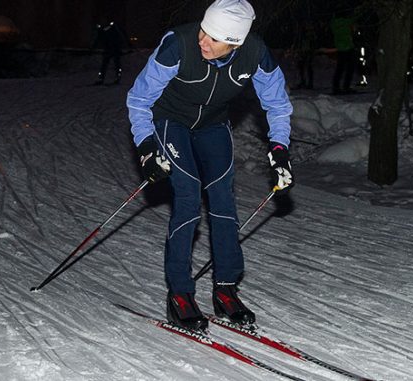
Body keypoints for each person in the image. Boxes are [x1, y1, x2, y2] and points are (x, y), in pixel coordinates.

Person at [126, 0, 294, 331]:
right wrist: (146, 147)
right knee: (187, 196)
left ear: (235, 42)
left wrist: (280, 147)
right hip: (170, 121)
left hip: (213, 125)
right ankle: (180, 294)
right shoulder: (177, 45)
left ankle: (226, 289)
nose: (203, 40)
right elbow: (139, 100)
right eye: (203, 30)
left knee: (222, 200)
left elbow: (277, 104)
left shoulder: (255, 54)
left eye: (214, 39)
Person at [92, 17, 130, 85]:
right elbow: (98, 39)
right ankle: (101, 78)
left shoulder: (113, 28)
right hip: (107, 49)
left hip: (115, 49)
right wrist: (93, 47)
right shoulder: (101, 30)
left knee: (116, 64)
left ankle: (117, 77)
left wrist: (126, 45)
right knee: (104, 65)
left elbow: (120, 37)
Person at [330, 11, 357, 94]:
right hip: (348, 46)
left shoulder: (334, 23)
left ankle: (336, 87)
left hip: (339, 47)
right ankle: (346, 86)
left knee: (339, 68)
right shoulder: (348, 22)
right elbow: (354, 30)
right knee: (350, 68)